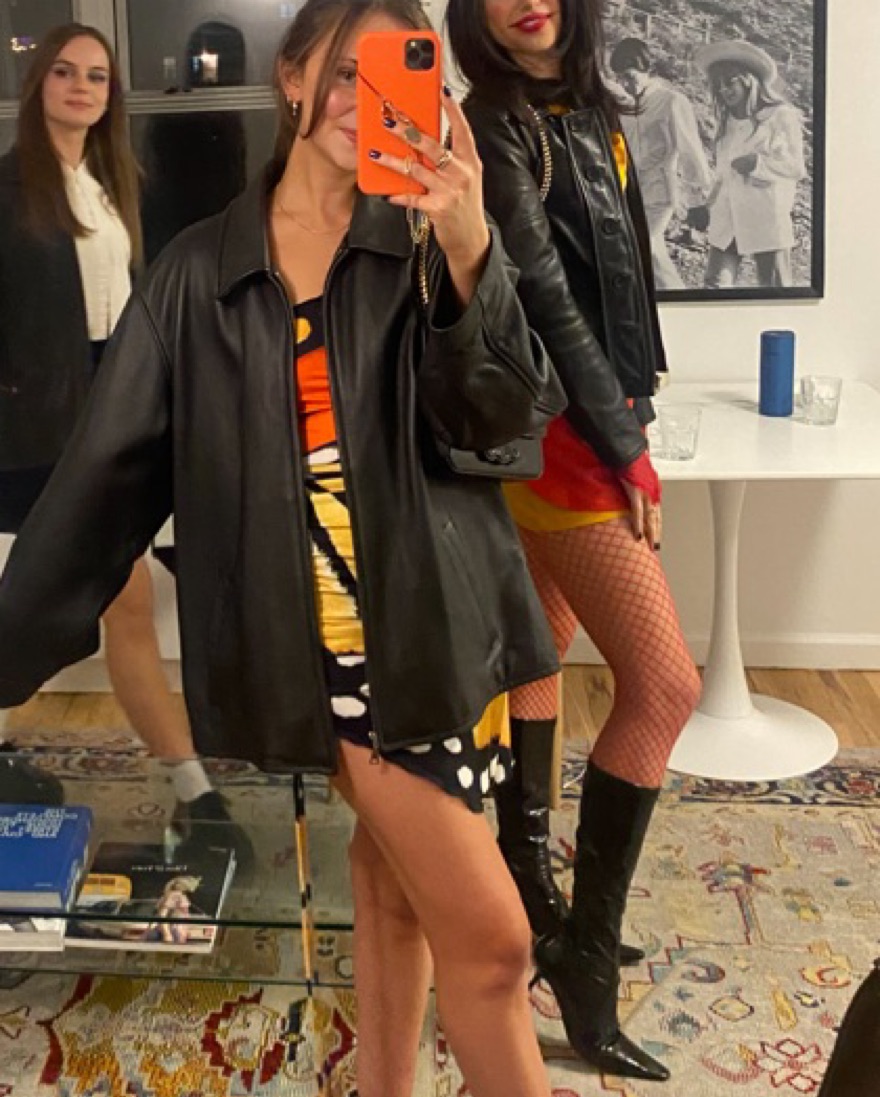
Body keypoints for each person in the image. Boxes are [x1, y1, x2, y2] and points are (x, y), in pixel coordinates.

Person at [0, 1, 567, 1093]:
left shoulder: (421, 241)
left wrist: (470, 244)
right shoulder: (196, 275)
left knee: (395, 892)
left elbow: (506, 429)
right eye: (347, 74)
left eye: (398, 75)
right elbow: (99, 489)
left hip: (443, 633)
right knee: (497, 946)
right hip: (334, 654)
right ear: (294, 79)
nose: (367, 100)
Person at [447, 0, 703, 1082]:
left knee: (541, 651)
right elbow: (544, 295)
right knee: (667, 687)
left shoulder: (587, 106)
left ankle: (529, 887)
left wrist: (639, 396)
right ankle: (582, 956)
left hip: (592, 414)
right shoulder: (493, 121)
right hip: (558, 433)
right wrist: (621, 441)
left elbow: (621, 273)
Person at [0, 24, 251, 865]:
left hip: (105, 416)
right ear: (38, 86)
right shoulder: (9, 188)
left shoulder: (111, 184)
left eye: (97, 76)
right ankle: (194, 788)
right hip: (32, 436)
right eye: (64, 72)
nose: (81, 86)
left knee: (120, 602)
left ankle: (194, 788)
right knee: (86, 601)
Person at [692, 40, 806, 289]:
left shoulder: (780, 115)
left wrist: (758, 164)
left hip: (766, 218)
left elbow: (796, 167)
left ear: (748, 80)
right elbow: (723, 174)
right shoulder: (726, 123)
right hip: (727, 219)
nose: (724, 90)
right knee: (714, 285)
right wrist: (706, 205)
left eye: (729, 81)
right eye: (718, 85)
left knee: (774, 288)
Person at [609, 37, 712, 291]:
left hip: (660, 190)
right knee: (635, 249)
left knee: (648, 244)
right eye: (620, 78)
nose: (625, 84)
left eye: (630, 77)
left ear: (647, 70)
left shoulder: (670, 101)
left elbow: (690, 151)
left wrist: (697, 200)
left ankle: (678, 298)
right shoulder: (622, 106)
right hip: (629, 190)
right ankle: (653, 299)